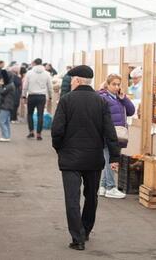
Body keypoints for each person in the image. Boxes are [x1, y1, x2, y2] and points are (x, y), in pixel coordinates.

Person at [52, 65, 120, 251]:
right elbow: (110, 132)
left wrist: (60, 149)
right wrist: (114, 156)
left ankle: (77, 238)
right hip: (93, 158)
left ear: (76, 80)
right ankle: (86, 229)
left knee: (72, 199)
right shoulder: (101, 102)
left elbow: (57, 130)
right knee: (91, 197)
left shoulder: (66, 101)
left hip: (70, 159)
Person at [97, 74, 135, 199]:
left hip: (119, 133)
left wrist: (124, 98)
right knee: (111, 160)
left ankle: (103, 187)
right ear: (107, 84)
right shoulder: (102, 97)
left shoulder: (119, 98)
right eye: (114, 84)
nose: (116, 87)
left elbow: (131, 111)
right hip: (109, 134)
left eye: (118, 84)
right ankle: (110, 187)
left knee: (109, 159)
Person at [22, 58, 53, 140]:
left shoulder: (29, 73)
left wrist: (24, 96)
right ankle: (39, 134)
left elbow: (25, 86)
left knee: (30, 114)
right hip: (42, 97)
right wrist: (50, 96)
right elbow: (50, 86)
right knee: (40, 115)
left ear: (34, 63)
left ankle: (31, 132)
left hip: (31, 96)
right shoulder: (47, 74)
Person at [0, 70, 15, 142]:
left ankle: (5, 136)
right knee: (6, 122)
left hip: (6, 105)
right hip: (7, 105)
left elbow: (2, 91)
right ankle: (7, 135)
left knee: (2, 121)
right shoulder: (10, 84)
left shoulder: (10, 85)